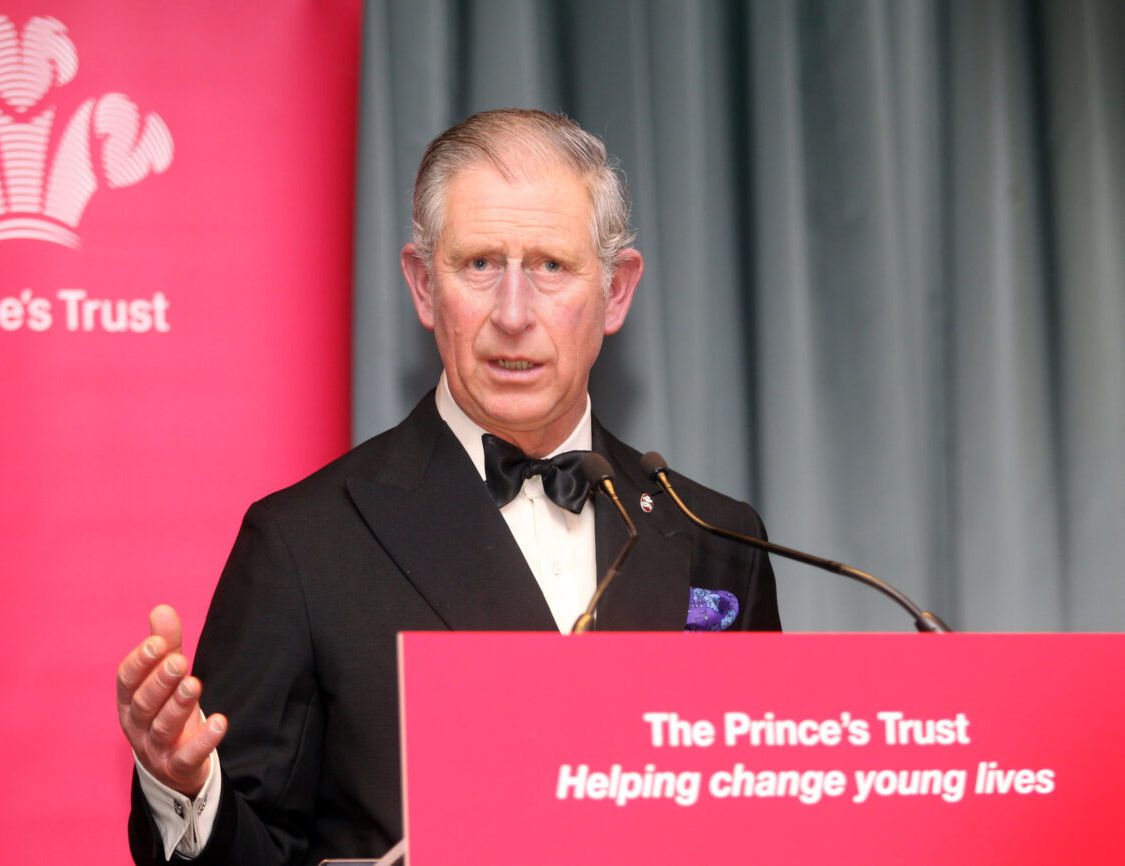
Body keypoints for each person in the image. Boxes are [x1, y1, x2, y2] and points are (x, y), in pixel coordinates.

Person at [117, 108, 782, 865]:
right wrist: (187, 792)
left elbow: (751, 827)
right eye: (478, 265)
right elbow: (256, 843)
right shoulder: (302, 544)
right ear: (424, 286)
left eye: (551, 266)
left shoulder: (715, 539)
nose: (512, 313)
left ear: (617, 290)